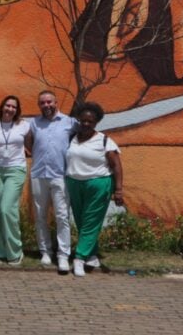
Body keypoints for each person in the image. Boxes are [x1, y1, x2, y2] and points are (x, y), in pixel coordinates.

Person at [66, 102, 125, 277]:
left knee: (91, 221)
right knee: (82, 221)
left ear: (96, 122)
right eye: (83, 120)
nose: (86, 124)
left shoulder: (105, 140)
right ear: (78, 120)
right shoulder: (72, 138)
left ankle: (79, 257)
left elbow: (116, 166)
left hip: (98, 184)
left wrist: (119, 190)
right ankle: (91, 253)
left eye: (90, 121)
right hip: (74, 183)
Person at [25, 90, 76, 272]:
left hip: (60, 175)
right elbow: (29, 143)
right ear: (39, 105)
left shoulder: (70, 122)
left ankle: (63, 255)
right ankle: (45, 251)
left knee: (62, 216)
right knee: (40, 216)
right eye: (42, 103)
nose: (46, 105)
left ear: (56, 102)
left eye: (49, 102)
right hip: (39, 174)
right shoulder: (34, 123)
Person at [0, 95, 30, 265]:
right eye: (7, 105)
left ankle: (15, 251)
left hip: (16, 170)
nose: (10, 109)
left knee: (7, 209)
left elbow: (31, 145)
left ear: (17, 110)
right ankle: (0, 251)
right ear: (2, 107)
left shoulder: (24, 125)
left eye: (13, 107)